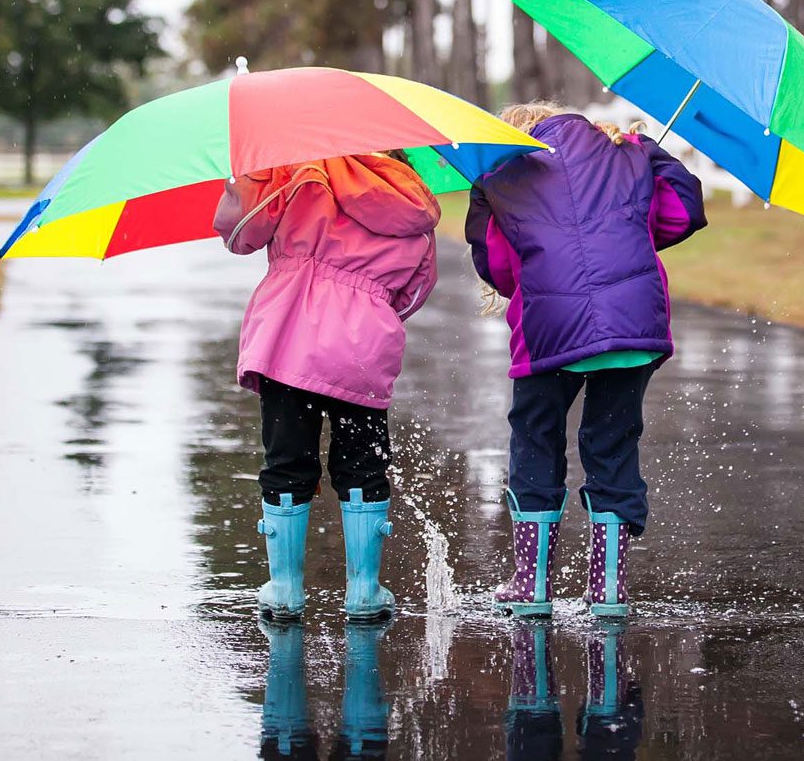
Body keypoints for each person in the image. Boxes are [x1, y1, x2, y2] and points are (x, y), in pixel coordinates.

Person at [466, 102, 706, 618]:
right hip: (632, 323)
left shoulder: (504, 173)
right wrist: (649, 151)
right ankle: (608, 591)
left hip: (550, 327)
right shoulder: (627, 153)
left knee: (535, 435)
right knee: (613, 442)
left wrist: (485, 196)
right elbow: (684, 211)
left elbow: (497, 268)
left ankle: (531, 584)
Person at [214, 151, 440, 621]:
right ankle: (364, 589)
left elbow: (240, 233)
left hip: (286, 336)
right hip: (362, 346)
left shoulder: (295, 170)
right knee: (362, 461)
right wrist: (369, 314)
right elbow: (417, 288)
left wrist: (250, 175)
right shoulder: (412, 199)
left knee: (287, 457)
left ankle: (284, 588)